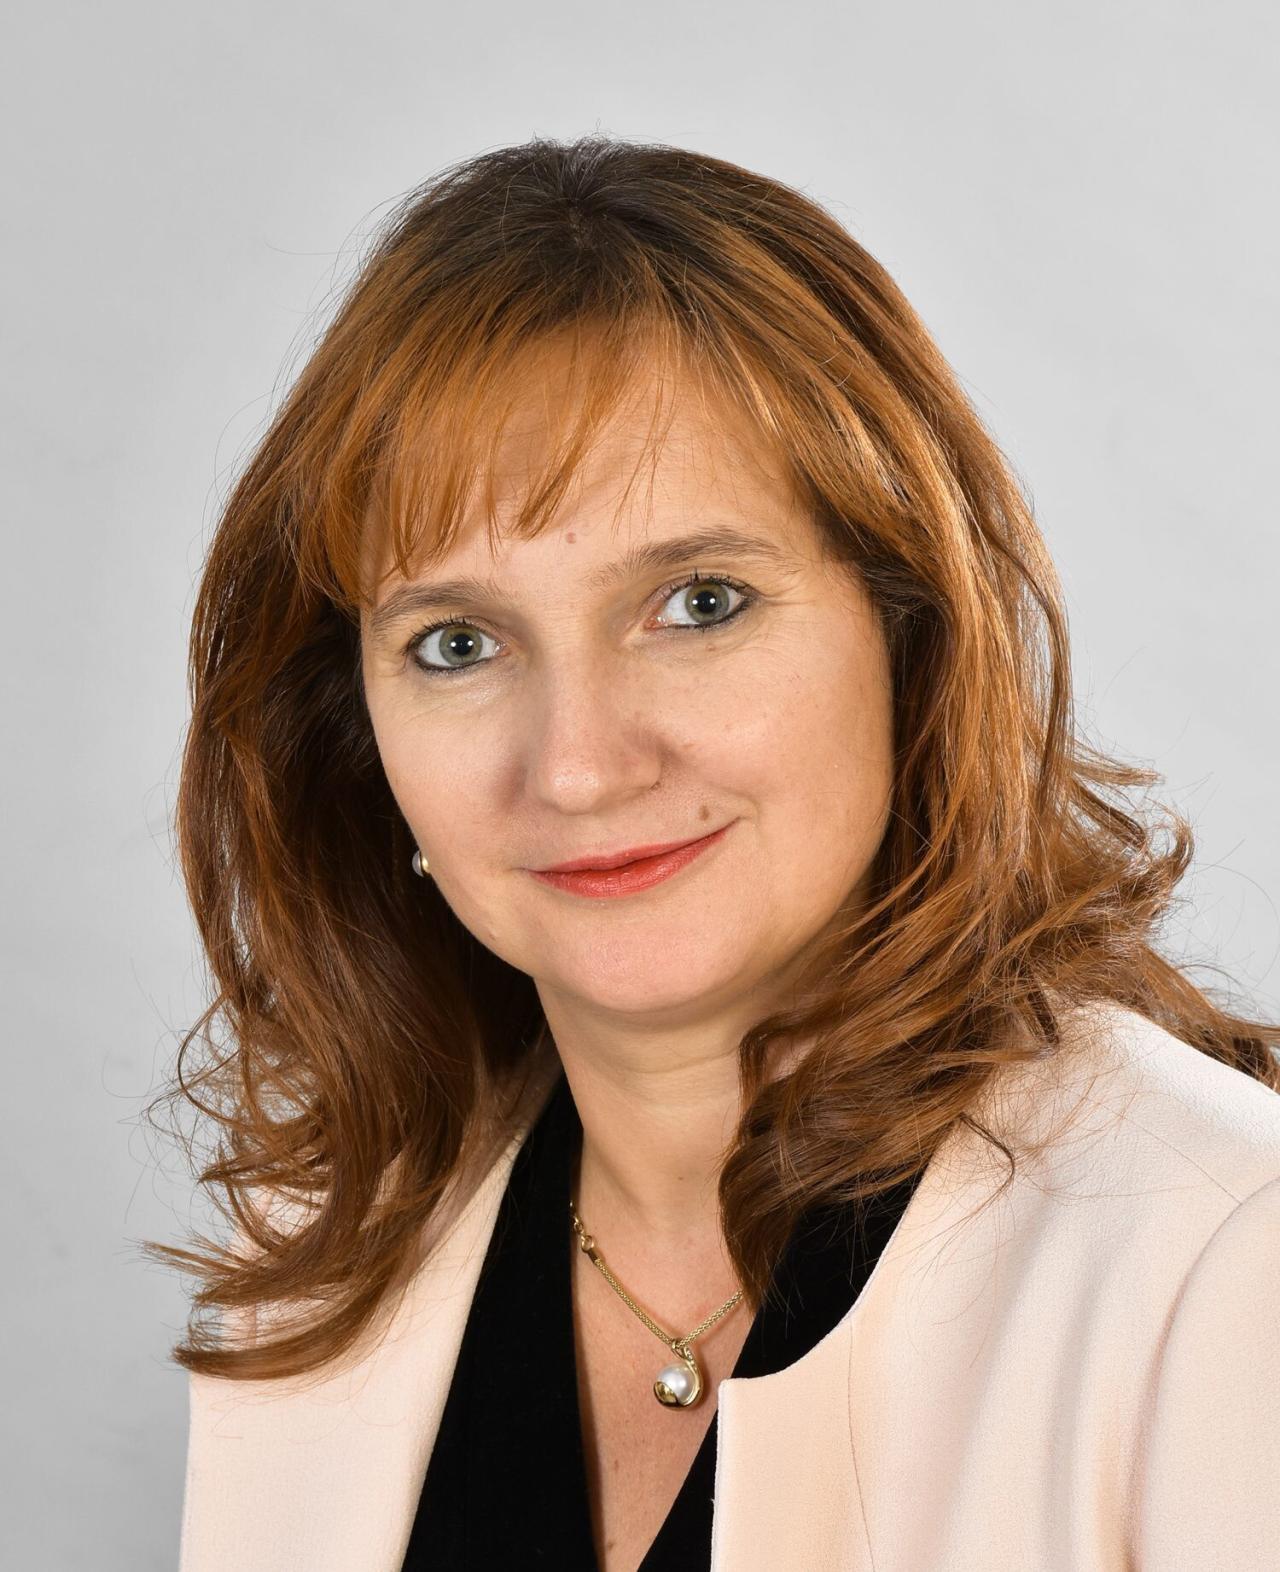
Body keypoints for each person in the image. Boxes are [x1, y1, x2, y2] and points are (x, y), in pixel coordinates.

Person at [157, 135, 1280, 1571]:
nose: (578, 765)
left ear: (913, 634)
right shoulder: (324, 1250)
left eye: (698, 603)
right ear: (354, 730)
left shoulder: (1225, 1261)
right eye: (458, 643)